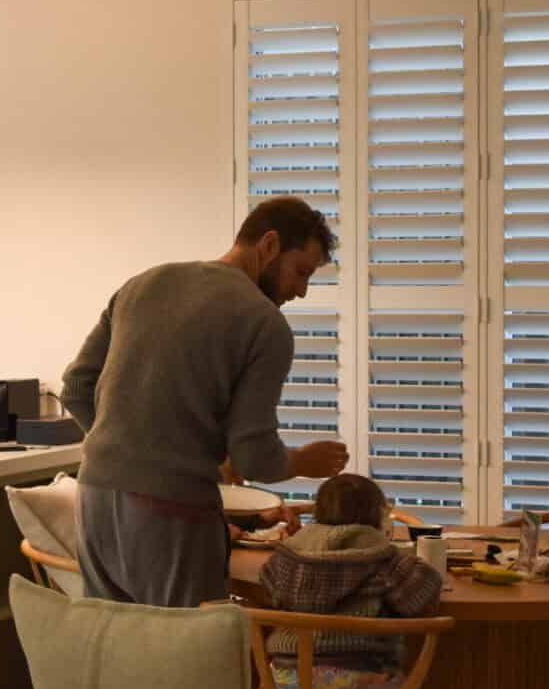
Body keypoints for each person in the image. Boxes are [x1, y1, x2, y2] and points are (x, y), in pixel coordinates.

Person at [60, 197, 350, 606]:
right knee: (183, 660)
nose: (301, 291)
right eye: (300, 272)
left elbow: (75, 386)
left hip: (94, 498)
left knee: (119, 653)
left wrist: (127, 448)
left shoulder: (143, 284)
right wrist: (302, 462)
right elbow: (253, 457)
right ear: (268, 245)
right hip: (171, 511)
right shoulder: (265, 323)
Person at [254, 472, 442, 689]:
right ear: (377, 516)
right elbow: (421, 596)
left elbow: (268, 588)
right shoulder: (384, 560)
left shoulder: (286, 559)